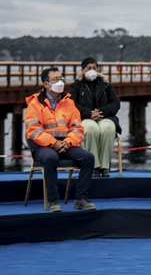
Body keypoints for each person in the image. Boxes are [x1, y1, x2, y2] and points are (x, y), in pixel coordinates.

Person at [24, 67, 96, 212]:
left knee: (88, 158)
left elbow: (77, 127)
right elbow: (33, 130)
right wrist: (53, 143)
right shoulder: (35, 104)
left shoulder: (69, 102)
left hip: (66, 144)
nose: (61, 82)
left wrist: (67, 142)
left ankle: (81, 199)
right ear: (46, 84)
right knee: (51, 158)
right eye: (56, 79)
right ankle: (53, 201)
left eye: (61, 78)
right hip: (42, 147)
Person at [68, 57, 122, 177]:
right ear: (82, 70)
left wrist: (101, 112)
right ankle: (94, 165)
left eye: (94, 68)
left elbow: (115, 103)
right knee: (91, 129)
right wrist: (89, 113)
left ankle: (105, 166)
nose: (92, 70)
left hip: (105, 117)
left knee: (108, 129)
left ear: (98, 70)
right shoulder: (76, 86)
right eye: (89, 68)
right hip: (85, 118)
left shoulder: (106, 86)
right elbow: (71, 104)